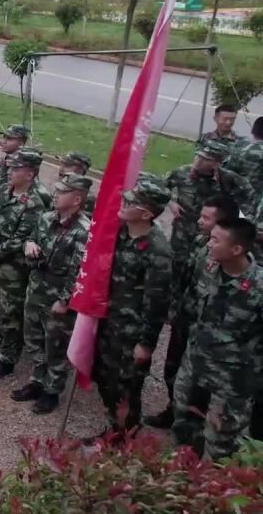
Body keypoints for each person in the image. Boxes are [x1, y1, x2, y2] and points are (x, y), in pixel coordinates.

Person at [172, 217, 263, 460]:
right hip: (194, 364)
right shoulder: (207, 266)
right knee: (182, 424)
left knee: (219, 443)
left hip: (231, 380)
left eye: (215, 240)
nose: (208, 244)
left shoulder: (259, 287)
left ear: (237, 249)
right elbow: (191, 304)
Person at [146, 194, 238, 429]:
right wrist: (174, 309)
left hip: (210, 335)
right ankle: (174, 409)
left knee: (201, 385)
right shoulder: (200, 242)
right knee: (173, 370)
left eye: (206, 218)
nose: (199, 220)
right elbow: (185, 278)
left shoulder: (236, 260)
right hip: (186, 321)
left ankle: (194, 427)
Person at [92, 181, 172, 437]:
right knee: (104, 378)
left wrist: (146, 344)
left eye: (131, 203)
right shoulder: (122, 232)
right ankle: (112, 429)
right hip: (109, 322)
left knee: (126, 388)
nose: (124, 205)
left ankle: (122, 439)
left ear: (147, 214)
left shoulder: (157, 251)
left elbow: (156, 303)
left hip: (131, 332)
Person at [11, 174, 91, 415]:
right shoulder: (47, 218)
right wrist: (29, 245)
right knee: (34, 337)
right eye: (55, 190)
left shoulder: (83, 230)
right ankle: (38, 380)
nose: (54, 195)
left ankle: (52, 391)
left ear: (77, 199)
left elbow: (80, 271)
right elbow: (32, 238)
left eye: (61, 192)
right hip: (36, 289)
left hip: (58, 298)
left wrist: (65, 300)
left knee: (55, 344)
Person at [0, 150, 45, 378]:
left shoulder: (33, 203)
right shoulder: (4, 190)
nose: (10, 171)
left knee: (11, 314)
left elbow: (21, 239)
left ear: (31, 174)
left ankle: (8, 358)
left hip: (14, 268)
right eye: (10, 167)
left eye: (16, 168)